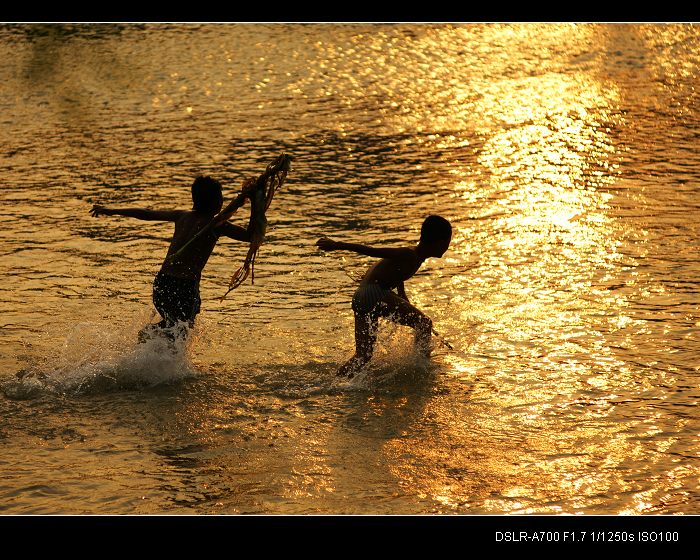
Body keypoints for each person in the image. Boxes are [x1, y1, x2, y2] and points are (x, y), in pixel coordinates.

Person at [90, 176, 254, 342]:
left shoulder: (183, 216)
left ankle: (149, 342)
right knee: (181, 332)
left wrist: (111, 210)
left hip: (163, 282)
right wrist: (255, 203)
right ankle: (150, 338)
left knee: (173, 326)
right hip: (184, 287)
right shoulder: (218, 225)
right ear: (216, 201)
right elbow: (251, 236)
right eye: (221, 196)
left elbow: (146, 214)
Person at [316, 215, 452, 378]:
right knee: (424, 323)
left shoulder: (413, 256)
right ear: (440, 242)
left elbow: (397, 274)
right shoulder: (409, 254)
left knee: (364, 356)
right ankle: (421, 368)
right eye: (447, 241)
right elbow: (373, 251)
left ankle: (334, 382)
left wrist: (402, 294)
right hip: (374, 294)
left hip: (362, 296)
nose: (447, 246)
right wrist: (338, 245)